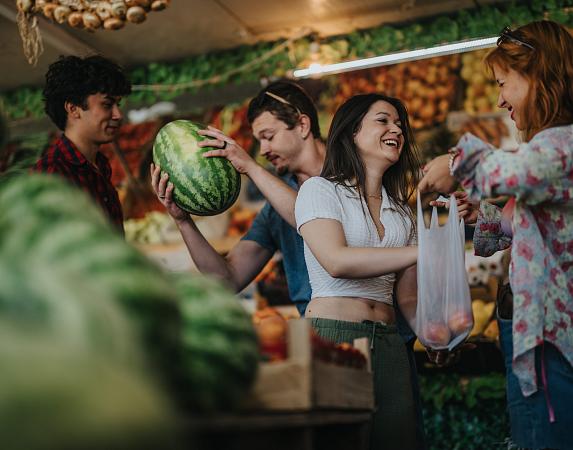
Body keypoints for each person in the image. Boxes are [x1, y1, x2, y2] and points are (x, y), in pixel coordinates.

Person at [419, 20, 573, 450]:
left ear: (540, 76)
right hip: (531, 333)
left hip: (552, 342)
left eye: (505, 83)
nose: (501, 99)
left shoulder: (562, 146)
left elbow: (517, 170)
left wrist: (453, 166)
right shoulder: (545, 151)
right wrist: (476, 213)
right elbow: (505, 231)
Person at [295, 93, 422, 450]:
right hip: (333, 337)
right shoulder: (319, 190)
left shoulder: (402, 213)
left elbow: (407, 297)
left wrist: (434, 334)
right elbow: (336, 261)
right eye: (383, 120)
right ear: (351, 131)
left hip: (389, 341)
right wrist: (422, 251)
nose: (395, 128)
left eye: (399, 124)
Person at [151, 81, 325, 316]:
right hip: (315, 326)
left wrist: (251, 167)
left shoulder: (352, 174)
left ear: (303, 125)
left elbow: (316, 220)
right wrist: (183, 221)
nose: (262, 150)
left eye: (269, 136)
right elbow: (226, 280)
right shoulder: (274, 212)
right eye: (259, 140)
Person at [33, 55, 130, 233]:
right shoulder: (50, 176)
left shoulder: (100, 165)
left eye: (118, 104)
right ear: (73, 109)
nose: (118, 114)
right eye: (108, 104)